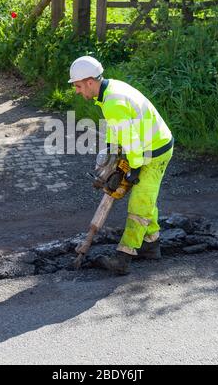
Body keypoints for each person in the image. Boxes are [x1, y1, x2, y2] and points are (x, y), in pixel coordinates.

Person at [69, 56, 174, 275]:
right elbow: (119, 129)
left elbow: (131, 140)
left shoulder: (113, 102)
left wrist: (132, 169)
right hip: (145, 148)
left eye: (78, 86)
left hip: (155, 152)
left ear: (90, 81)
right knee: (145, 197)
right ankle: (151, 243)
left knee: (139, 203)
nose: (77, 91)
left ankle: (123, 258)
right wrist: (112, 150)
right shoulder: (110, 90)